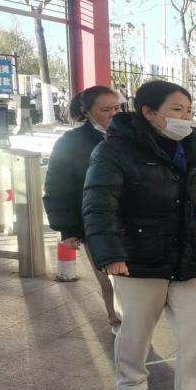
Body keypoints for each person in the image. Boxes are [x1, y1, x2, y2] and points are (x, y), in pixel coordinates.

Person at [82, 80, 196, 390]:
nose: (185, 117)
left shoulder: (195, 146)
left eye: (189, 110)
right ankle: (131, 384)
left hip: (189, 254)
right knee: (135, 328)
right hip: (139, 255)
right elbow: (99, 203)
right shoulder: (116, 150)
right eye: (176, 110)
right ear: (148, 112)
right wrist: (111, 254)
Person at [43, 85, 121, 333]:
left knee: (131, 281)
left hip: (130, 220)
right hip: (94, 224)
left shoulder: (131, 136)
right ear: (86, 112)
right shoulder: (71, 142)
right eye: (105, 110)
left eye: (117, 108)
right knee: (109, 278)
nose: (113, 114)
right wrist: (67, 229)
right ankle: (116, 321)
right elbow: (58, 187)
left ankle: (134, 324)